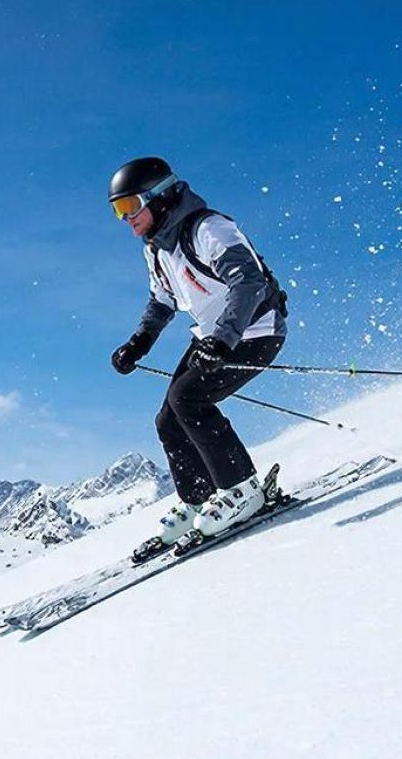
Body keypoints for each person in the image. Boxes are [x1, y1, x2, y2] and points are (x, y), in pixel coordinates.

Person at [107, 157, 288, 546]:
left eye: (130, 207)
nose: (126, 219)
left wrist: (223, 339)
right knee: (168, 419)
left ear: (159, 197)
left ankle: (242, 489)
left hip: (255, 329)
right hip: (214, 337)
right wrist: (138, 344)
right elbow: (161, 303)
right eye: (117, 211)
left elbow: (248, 282)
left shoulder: (209, 228)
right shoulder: (156, 250)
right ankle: (200, 496)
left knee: (187, 397)